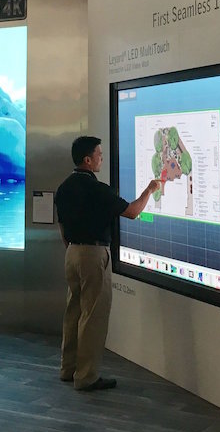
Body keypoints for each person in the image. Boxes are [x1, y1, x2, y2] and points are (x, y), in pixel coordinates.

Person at [54, 135, 160, 391]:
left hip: (71, 252)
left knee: (74, 311)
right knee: (93, 316)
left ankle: (68, 369)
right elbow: (132, 212)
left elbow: (62, 225)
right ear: (88, 160)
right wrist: (150, 190)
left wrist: (73, 248)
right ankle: (86, 376)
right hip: (93, 254)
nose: (102, 158)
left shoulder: (64, 187)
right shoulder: (98, 189)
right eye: (99, 155)